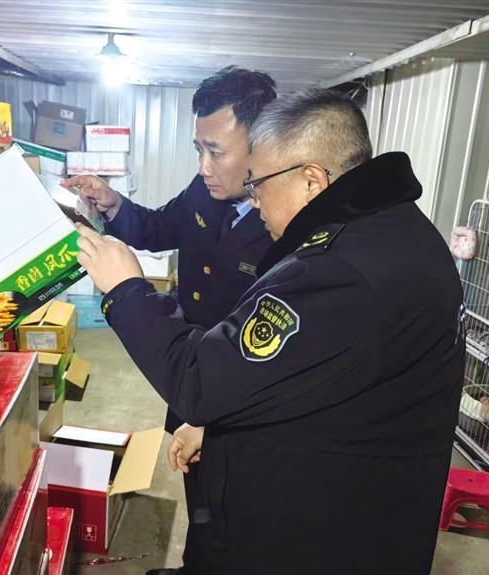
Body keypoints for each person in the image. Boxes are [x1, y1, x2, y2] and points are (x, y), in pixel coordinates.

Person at [75, 89, 465, 575]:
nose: (253, 199)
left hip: (319, 531)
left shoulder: (340, 271)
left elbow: (200, 380)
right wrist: (218, 424)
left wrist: (127, 291)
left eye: (258, 184)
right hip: (312, 482)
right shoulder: (390, 229)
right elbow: (304, 371)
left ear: (311, 180)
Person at [62, 66, 276, 575]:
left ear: (263, 143)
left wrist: (212, 418)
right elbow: (159, 227)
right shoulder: (207, 188)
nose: (203, 166)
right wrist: (112, 203)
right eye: (198, 149)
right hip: (188, 368)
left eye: (215, 152)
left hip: (238, 393)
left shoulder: (285, 224)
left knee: (234, 504)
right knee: (196, 490)